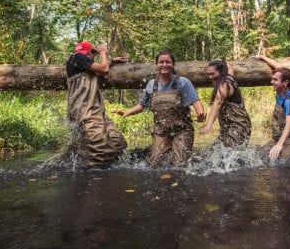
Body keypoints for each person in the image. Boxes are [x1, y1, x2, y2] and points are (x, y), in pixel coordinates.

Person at [116, 49, 205, 167]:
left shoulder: (183, 82)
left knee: (179, 164)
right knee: (154, 163)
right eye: (161, 62)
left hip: (182, 130)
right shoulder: (151, 84)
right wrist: (127, 112)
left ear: (173, 65)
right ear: (156, 65)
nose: (164, 65)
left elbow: (195, 101)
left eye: (168, 62)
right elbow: (142, 105)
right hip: (161, 131)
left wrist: (200, 113)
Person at [66, 41, 128, 169]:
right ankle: (93, 179)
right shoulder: (77, 57)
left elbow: (97, 69)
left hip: (97, 112)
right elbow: (104, 69)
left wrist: (111, 61)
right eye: (94, 54)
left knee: (118, 143)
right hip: (86, 112)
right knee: (99, 150)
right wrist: (103, 52)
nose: (94, 57)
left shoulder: (80, 63)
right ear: (90, 52)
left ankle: (110, 173)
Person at [254, 55, 290, 161]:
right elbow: (280, 68)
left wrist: (279, 145)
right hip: (278, 137)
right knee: (259, 157)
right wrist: (263, 57)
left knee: (284, 162)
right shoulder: (279, 90)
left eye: (275, 80)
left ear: (285, 83)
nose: (271, 82)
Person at [200, 59, 251, 147]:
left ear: (221, 72)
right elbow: (229, 67)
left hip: (238, 127)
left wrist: (209, 124)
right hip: (229, 127)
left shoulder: (224, 85)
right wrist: (219, 61)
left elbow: (218, 101)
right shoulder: (230, 77)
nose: (210, 77)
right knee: (214, 151)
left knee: (230, 153)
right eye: (208, 74)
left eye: (212, 74)